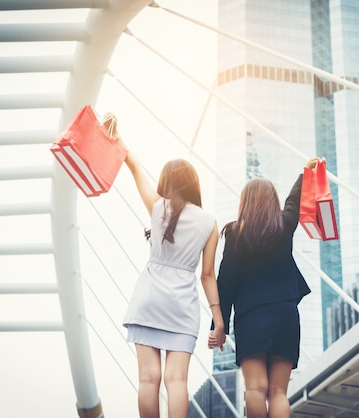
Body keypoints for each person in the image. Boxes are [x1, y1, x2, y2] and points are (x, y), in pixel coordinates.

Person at [109, 115, 226, 418]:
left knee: (148, 379)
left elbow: (133, 166)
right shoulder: (209, 222)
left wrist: (116, 135)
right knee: (177, 381)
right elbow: (208, 275)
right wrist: (219, 320)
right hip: (181, 305)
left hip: (149, 298)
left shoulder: (157, 206)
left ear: (167, 182)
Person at [208, 158, 319, 418]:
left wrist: (218, 326)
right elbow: (294, 202)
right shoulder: (285, 224)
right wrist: (307, 172)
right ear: (272, 201)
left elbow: (226, 283)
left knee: (255, 389)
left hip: (252, 317)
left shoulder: (235, 233)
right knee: (279, 392)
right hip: (286, 314)